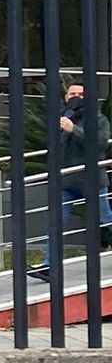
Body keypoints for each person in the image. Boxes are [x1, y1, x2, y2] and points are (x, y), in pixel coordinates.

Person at [52, 78, 112, 245]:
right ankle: (49, 265)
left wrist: (74, 130)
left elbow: (99, 144)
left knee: (106, 217)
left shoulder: (99, 120)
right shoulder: (61, 118)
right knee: (56, 223)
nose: (76, 97)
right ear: (66, 97)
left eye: (81, 94)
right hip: (66, 181)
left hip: (92, 180)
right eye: (73, 94)